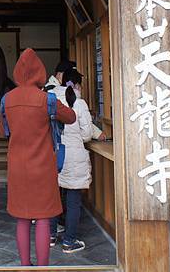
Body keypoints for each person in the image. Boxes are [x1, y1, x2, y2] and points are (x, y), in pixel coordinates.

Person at [0, 48, 76, 266]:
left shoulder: (7, 99)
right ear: (39, 72)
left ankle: (25, 265)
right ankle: (42, 267)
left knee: (22, 217)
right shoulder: (47, 100)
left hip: (17, 167)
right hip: (42, 167)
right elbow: (70, 117)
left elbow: (2, 130)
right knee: (43, 217)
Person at [49, 67, 106, 253]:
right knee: (73, 200)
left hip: (53, 154)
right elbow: (87, 134)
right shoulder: (79, 103)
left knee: (52, 197)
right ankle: (69, 241)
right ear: (76, 84)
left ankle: (50, 236)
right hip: (73, 155)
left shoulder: (49, 98)